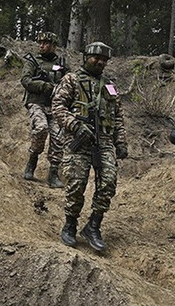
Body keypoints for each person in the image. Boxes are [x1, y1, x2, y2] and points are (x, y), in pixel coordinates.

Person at [52, 41, 128, 252]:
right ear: (86, 57)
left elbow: (117, 115)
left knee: (108, 182)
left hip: (103, 141)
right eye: (97, 58)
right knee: (76, 184)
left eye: (104, 59)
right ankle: (70, 224)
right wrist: (76, 125)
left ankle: (93, 225)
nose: (100, 62)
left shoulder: (110, 85)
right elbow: (57, 107)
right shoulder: (72, 79)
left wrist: (120, 142)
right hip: (79, 141)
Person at [21, 31, 67, 187]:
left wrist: (60, 90)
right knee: (41, 128)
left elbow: (70, 82)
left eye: (45, 43)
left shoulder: (61, 63)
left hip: (55, 106)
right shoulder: (33, 62)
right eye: (40, 43)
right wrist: (44, 86)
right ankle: (32, 162)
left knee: (59, 138)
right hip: (36, 102)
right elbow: (25, 80)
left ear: (53, 46)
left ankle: (53, 175)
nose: (41, 45)